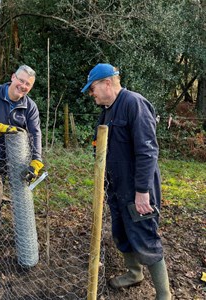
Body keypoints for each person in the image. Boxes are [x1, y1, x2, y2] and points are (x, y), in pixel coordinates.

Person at [81, 63, 171, 300]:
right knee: (121, 232)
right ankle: (134, 273)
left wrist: (142, 192)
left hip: (137, 187)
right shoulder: (108, 109)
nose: (92, 94)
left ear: (107, 83)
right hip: (116, 186)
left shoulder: (134, 104)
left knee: (145, 236)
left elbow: (147, 151)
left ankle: (164, 294)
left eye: (93, 89)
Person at [0, 65, 44, 271]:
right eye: (21, 81)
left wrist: (36, 162)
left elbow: (35, 134)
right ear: (13, 77)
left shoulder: (30, 106)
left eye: (27, 85)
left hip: (19, 161)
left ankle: (26, 250)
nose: (23, 86)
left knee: (24, 205)